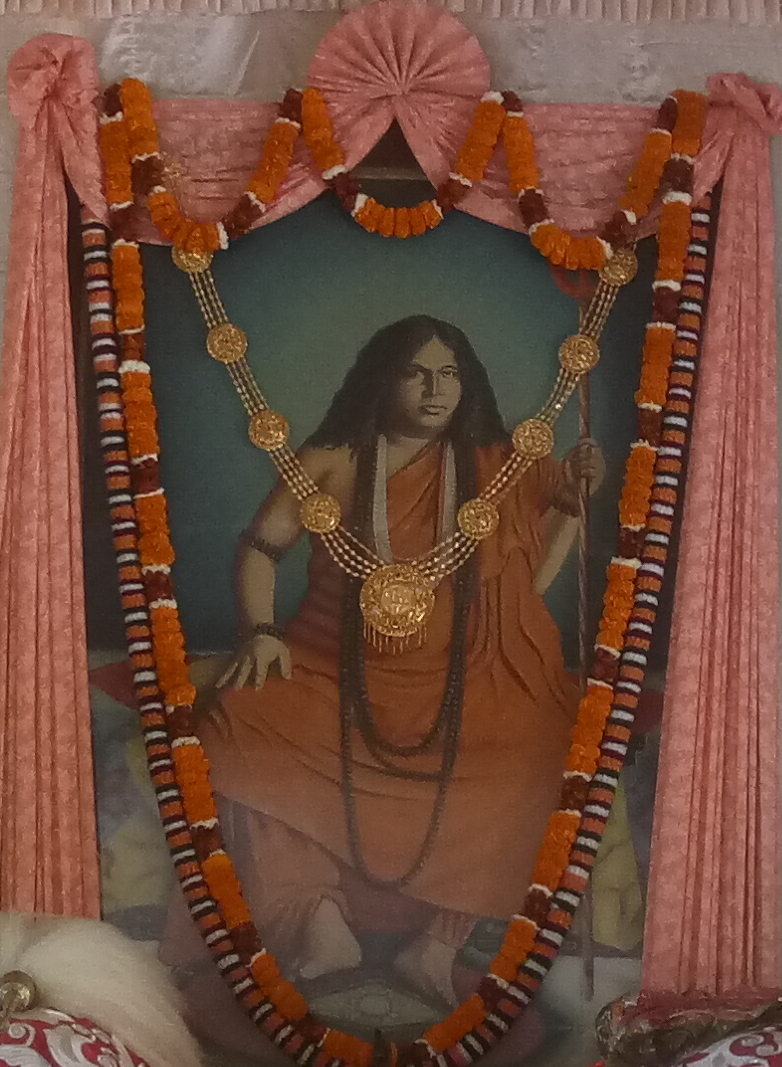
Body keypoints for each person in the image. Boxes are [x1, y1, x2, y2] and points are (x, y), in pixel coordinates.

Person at [196, 312, 604, 1003]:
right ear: (381, 381)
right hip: (331, 668)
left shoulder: (500, 469)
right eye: (416, 372)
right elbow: (264, 549)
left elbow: (531, 572)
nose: (434, 389)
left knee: (541, 747)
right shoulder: (333, 461)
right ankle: (318, 924)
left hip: (468, 675)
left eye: (449, 374)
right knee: (236, 726)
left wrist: (574, 493)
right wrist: (262, 631)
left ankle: (437, 947)